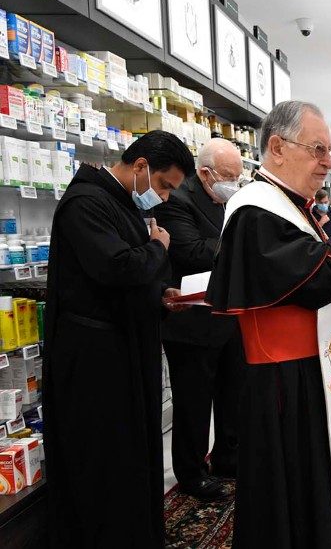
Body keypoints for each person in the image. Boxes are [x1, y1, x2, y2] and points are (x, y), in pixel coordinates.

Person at [206, 101, 331, 548]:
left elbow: (328, 276)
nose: (327, 161)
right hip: (286, 382)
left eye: (330, 149)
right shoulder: (255, 211)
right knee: (295, 498)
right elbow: (321, 276)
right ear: (278, 147)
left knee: (322, 488)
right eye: (318, 148)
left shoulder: (294, 207)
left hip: (316, 372)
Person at [43, 130, 192, 546]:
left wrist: (160, 296)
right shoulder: (85, 203)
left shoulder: (118, 203)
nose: (163, 197)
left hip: (123, 349)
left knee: (132, 458)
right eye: (163, 185)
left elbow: (126, 282)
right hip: (96, 360)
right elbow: (119, 268)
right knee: (106, 463)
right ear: (141, 165)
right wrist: (159, 248)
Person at [154, 138, 246, 501]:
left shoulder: (228, 199)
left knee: (232, 391)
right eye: (228, 176)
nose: (234, 183)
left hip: (227, 315)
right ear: (205, 173)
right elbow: (192, 251)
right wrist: (240, 243)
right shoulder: (178, 200)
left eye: (238, 177)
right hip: (190, 320)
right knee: (193, 403)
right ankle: (191, 472)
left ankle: (228, 455)